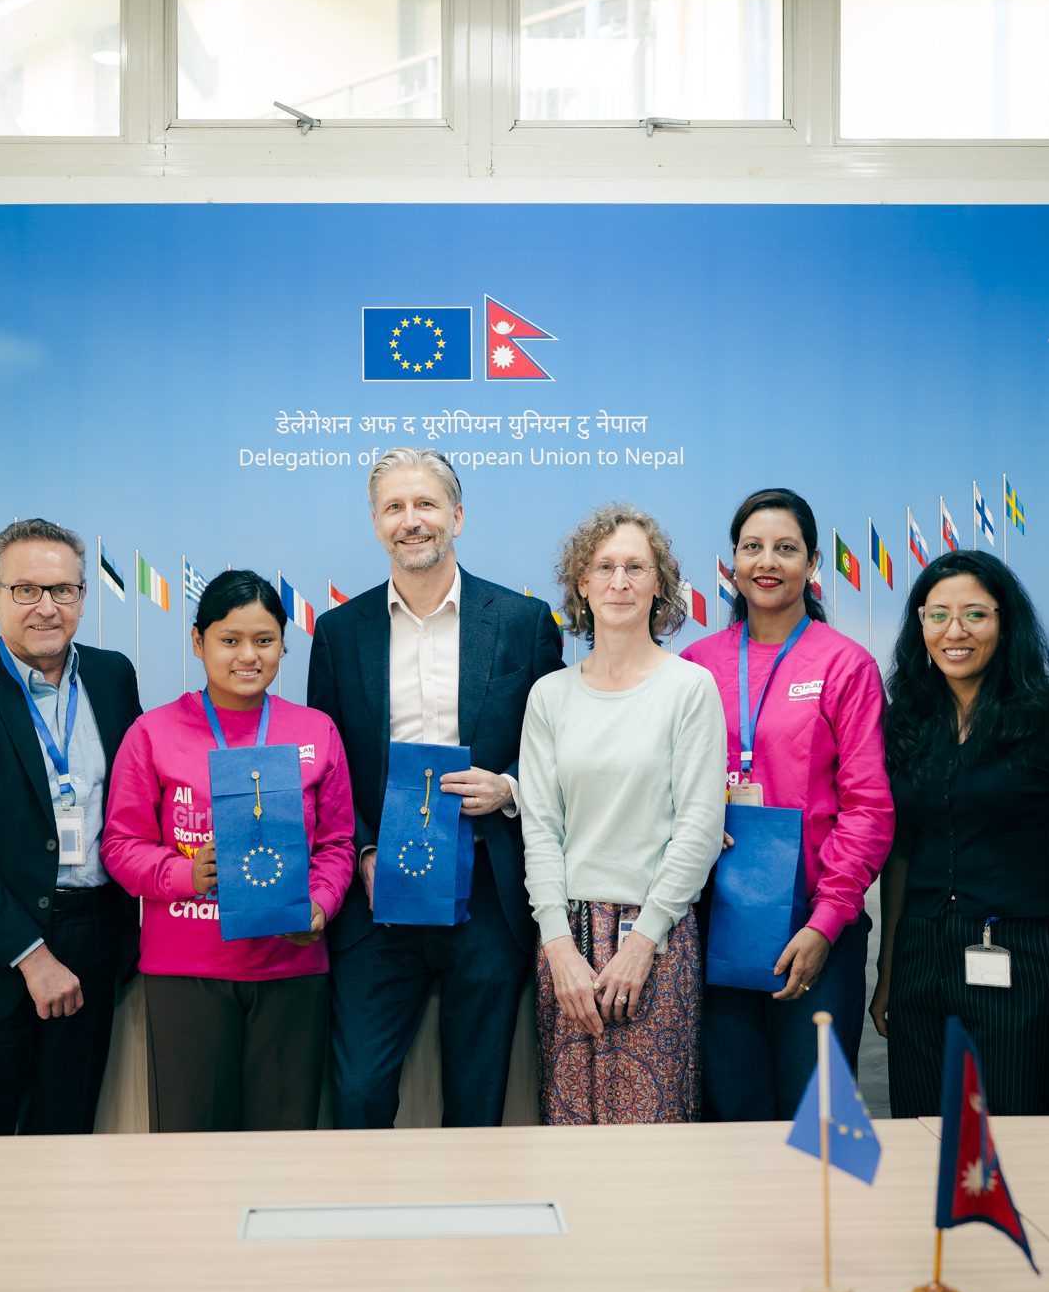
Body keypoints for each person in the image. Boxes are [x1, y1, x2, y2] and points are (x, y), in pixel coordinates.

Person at [307, 447, 564, 1128]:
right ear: (376, 523)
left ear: (458, 515)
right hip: (376, 898)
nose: (411, 520)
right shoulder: (338, 632)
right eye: (394, 507)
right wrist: (362, 849)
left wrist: (509, 786)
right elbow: (328, 764)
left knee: (477, 1101)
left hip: (487, 891)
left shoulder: (523, 622)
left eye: (425, 503)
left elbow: (560, 745)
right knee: (359, 1092)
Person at [0, 518, 142, 1136]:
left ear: (83, 598)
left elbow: (138, 801)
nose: (46, 607)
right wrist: (31, 957)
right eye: (26, 590)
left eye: (62, 590)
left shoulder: (113, 676)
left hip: (93, 942)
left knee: (66, 1150)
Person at [104, 571, 356, 1131]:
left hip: (292, 968)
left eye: (264, 640)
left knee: (284, 1146)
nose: (248, 655)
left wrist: (320, 904)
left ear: (283, 646)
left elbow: (337, 844)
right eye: (229, 639)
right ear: (199, 642)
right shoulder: (153, 732)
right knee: (193, 1150)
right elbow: (121, 846)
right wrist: (184, 874)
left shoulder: (315, 730)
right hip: (187, 970)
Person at [679, 488, 891, 1121]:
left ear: (813, 562)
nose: (767, 562)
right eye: (752, 547)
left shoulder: (846, 664)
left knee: (815, 1121)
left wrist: (825, 923)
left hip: (813, 926)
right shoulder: (695, 665)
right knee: (730, 1115)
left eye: (786, 548)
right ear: (733, 563)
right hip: (714, 922)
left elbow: (868, 807)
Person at [521, 503, 725, 1124]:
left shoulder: (689, 688)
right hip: (568, 942)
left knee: (653, 1144)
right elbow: (540, 829)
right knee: (570, 1135)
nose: (619, 581)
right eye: (604, 567)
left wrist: (643, 942)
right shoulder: (550, 696)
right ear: (581, 583)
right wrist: (558, 946)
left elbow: (699, 829)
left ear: (660, 583)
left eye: (636, 567)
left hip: (656, 939)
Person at [871, 551, 1049, 1118]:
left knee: (1009, 1131)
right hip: (920, 952)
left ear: (1005, 622)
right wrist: (888, 969)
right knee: (922, 1129)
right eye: (937, 615)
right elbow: (900, 853)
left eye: (974, 614)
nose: (955, 631)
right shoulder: (905, 721)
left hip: (1019, 949)